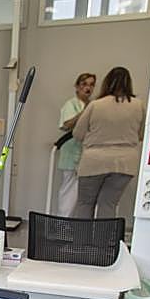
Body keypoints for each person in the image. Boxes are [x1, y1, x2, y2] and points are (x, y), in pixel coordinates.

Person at [71, 66, 145, 219]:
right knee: (109, 204)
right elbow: (141, 134)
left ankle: (81, 242)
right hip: (125, 162)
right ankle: (103, 242)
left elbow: (78, 133)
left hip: (94, 161)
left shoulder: (96, 105)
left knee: (85, 203)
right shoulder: (139, 105)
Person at [56, 72, 96, 216]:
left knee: (82, 191)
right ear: (77, 86)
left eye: (91, 85)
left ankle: (75, 223)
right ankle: (63, 222)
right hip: (71, 151)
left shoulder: (94, 105)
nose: (88, 88)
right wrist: (84, 113)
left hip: (88, 153)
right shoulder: (71, 104)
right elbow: (66, 125)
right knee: (68, 189)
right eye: (84, 84)